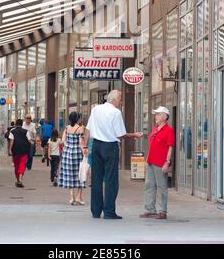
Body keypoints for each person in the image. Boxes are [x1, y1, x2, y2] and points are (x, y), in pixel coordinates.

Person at [83, 90, 143, 219]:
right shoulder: (116, 112)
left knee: (96, 179)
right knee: (111, 180)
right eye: (120, 99)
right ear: (114, 100)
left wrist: (85, 145)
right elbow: (120, 134)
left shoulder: (96, 109)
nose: (121, 102)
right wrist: (134, 135)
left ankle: (96, 210)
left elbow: (88, 129)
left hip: (97, 145)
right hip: (110, 146)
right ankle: (109, 211)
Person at [139, 106, 175, 220]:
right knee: (149, 185)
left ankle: (162, 211)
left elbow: (170, 147)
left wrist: (167, 162)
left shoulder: (168, 130)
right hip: (151, 161)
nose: (156, 116)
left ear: (165, 116)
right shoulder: (156, 128)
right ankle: (150, 209)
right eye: (156, 114)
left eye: (158, 114)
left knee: (162, 186)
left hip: (160, 162)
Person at [58, 111, 86, 205]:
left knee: (69, 175)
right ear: (78, 119)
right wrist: (85, 152)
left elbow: (62, 141)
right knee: (81, 174)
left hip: (67, 153)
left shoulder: (67, 128)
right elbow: (81, 142)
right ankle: (79, 197)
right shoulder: (81, 128)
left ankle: (71, 197)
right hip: (77, 153)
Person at [9, 119, 31, 188]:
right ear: (22, 124)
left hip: (15, 151)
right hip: (24, 150)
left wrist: (10, 149)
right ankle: (20, 179)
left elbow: (11, 141)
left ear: (15, 124)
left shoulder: (12, 131)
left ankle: (18, 179)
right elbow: (29, 140)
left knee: (16, 165)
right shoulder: (26, 131)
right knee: (22, 164)